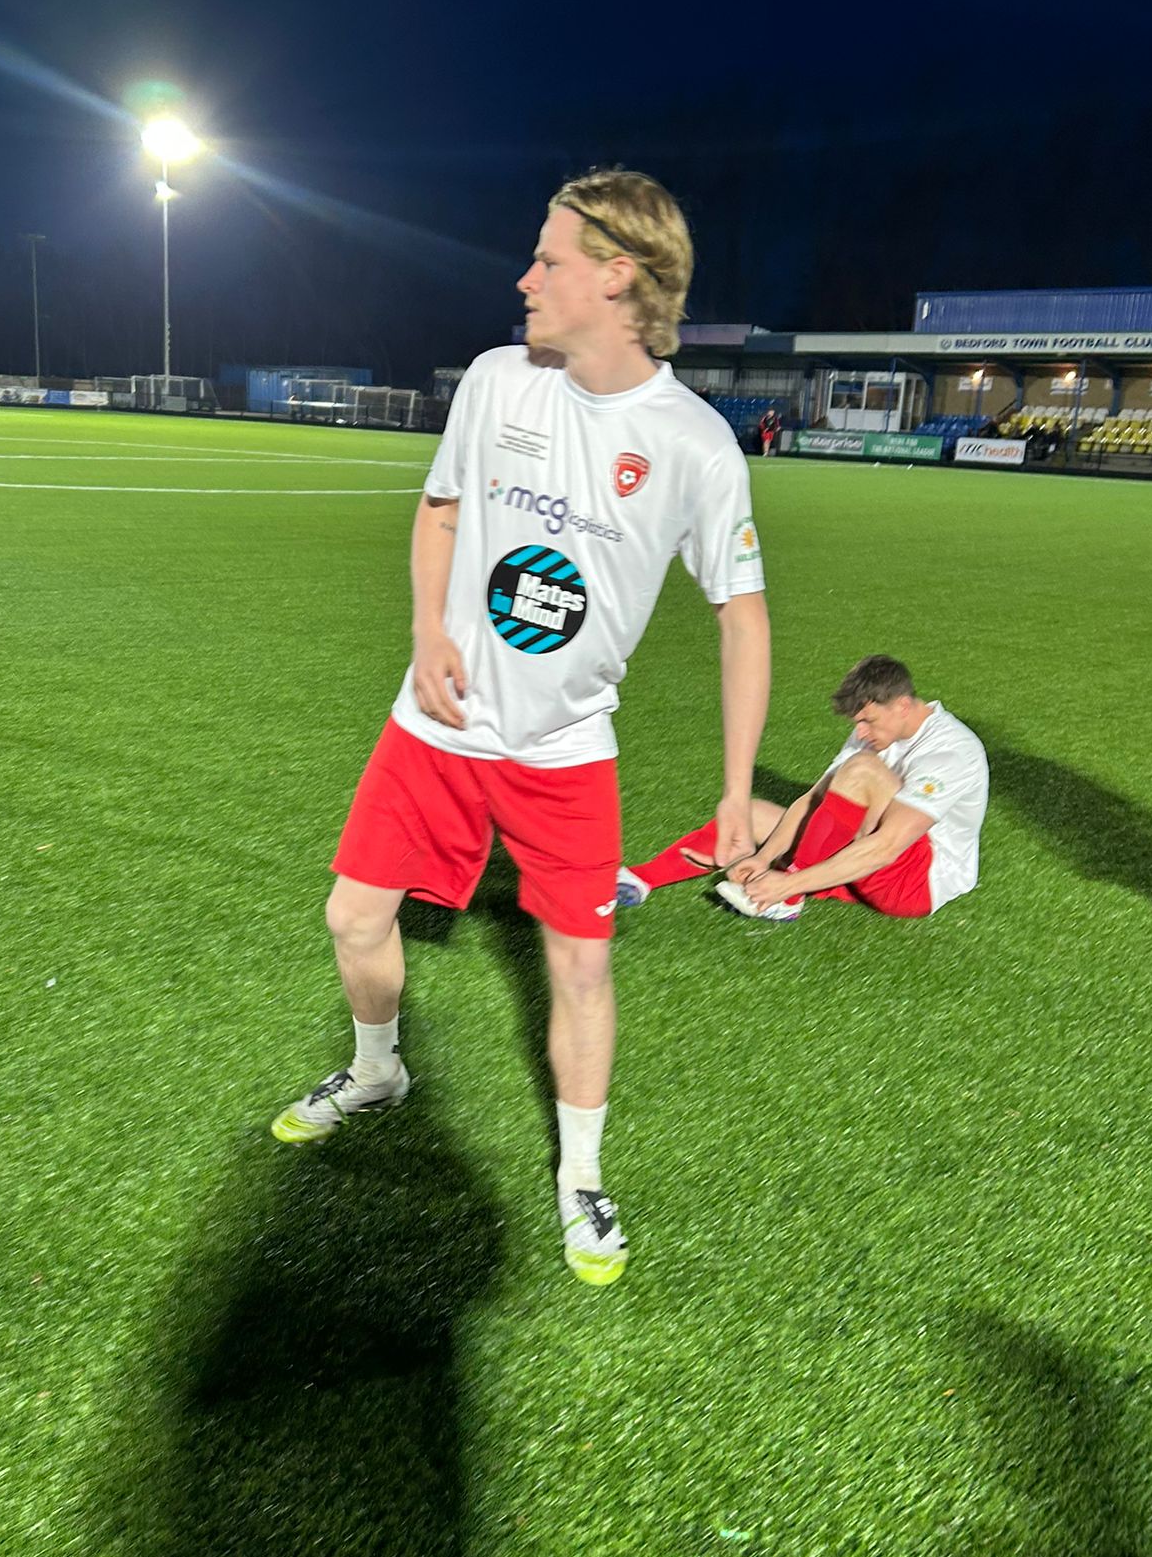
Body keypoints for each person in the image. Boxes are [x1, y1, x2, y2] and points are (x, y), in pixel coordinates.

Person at [270, 170, 772, 1286]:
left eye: (548, 259)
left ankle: (581, 1175)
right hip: (437, 726)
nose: (524, 279)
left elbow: (742, 618)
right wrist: (425, 629)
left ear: (617, 275)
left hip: (564, 752)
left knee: (581, 969)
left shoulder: (695, 446)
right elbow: (441, 509)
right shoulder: (498, 381)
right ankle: (377, 1069)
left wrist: (738, 789)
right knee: (353, 915)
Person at [616, 654, 986, 922]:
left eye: (868, 721)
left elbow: (887, 847)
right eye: (857, 722)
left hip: (916, 882)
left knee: (862, 770)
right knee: (753, 814)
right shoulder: (874, 732)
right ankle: (640, 879)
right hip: (863, 862)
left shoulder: (952, 750)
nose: (860, 732)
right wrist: (764, 858)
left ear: (903, 706)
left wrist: (786, 883)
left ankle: (788, 895)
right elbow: (812, 799)